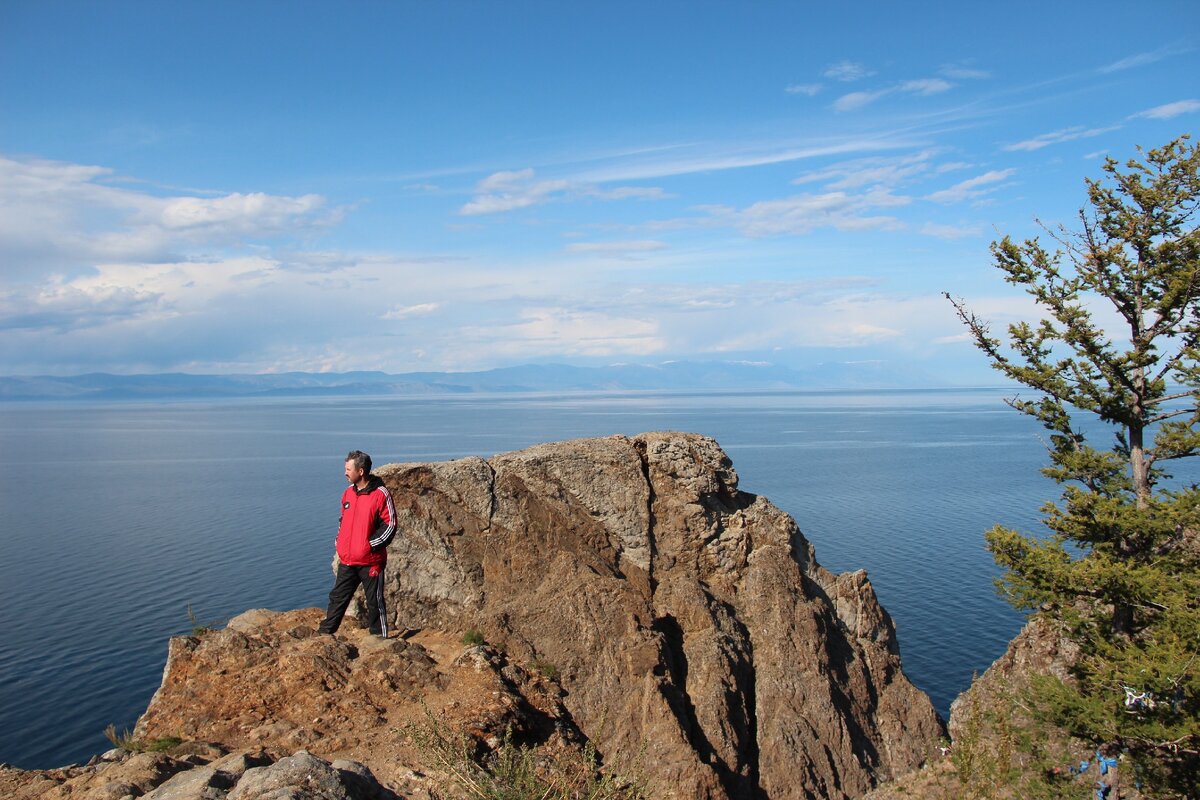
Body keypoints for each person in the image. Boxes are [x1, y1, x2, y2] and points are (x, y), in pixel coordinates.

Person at [318, 450, 397, 637]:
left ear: (361, 471)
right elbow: (343, 521)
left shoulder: (380, 494)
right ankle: (325, 634)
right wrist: (340, 542)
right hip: (348, 559)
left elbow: (390, 523)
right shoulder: (347, 494)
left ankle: (379, 637)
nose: (345, 472)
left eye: (348, 469)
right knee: (337, 597)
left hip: (370, 561)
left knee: (374, 601)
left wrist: (370, 545)